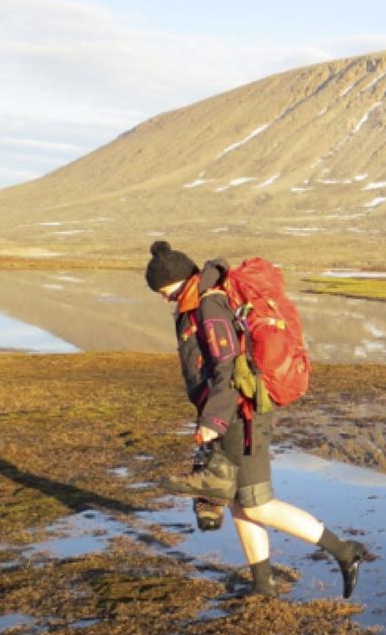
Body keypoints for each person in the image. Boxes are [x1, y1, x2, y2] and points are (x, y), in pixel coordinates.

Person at [145, 240, 369, 598]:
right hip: (230, 414)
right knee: (239, 503)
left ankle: (345, 551)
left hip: (240, 416)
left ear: (179, 281)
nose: (163, 299)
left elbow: (226, 369)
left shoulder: (209, 307)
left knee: (258, 503)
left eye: (165, 292)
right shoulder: (198, 304)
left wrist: (212, 423)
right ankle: (263, 584)